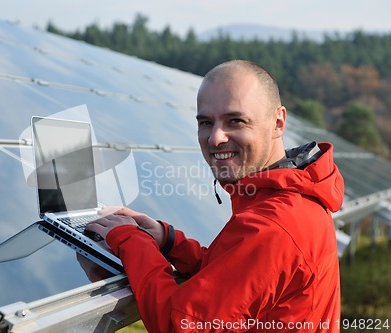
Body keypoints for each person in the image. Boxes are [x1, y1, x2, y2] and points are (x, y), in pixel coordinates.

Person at [86, 60, 344, 332]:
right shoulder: (289, 198)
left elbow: (180, 325)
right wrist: (169, 242)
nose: (215, 138)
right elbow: (234, 283)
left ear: (278, 122)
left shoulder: (273, 226)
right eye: (206, 122)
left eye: (235, 120)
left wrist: (130, 239)